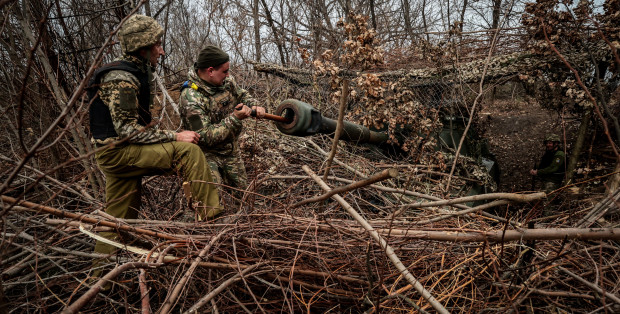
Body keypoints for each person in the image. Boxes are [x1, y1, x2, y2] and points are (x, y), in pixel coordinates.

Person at [88, 15, 221, 265]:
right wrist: (175, 135)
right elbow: (128, 130)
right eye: (157, 45)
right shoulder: (122, 78)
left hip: (115, 152)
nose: (161, 51)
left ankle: (101, 280)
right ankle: (211, 225)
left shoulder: (134, 71)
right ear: (142, 48)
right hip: (117, 152)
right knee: (188, 152)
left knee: (116, 219)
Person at [179, 45, 266, 197]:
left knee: (245, 198)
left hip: (230, 149)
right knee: (211, 203)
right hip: (206, 155)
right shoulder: (190, 98)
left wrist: (253, 105)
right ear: (210, 71)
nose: (228, 75)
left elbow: (241, 94)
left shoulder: (226, 81)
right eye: (224, 71)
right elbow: (205, 137)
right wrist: (235, 118)